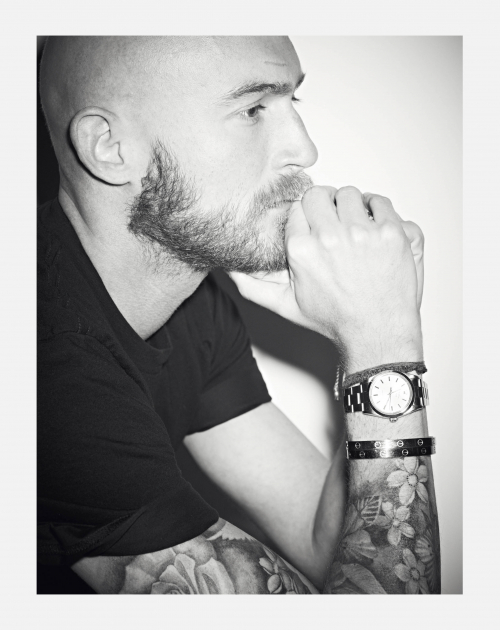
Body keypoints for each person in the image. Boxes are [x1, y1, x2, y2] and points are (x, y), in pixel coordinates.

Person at [37, 35, 440, 594]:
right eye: (253, 109)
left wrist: (369, 332)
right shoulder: (48, 369)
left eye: (291, 102)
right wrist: (385, 347)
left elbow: (323, 540)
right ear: (109, 146)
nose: (305, 149)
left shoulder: (194, 306)